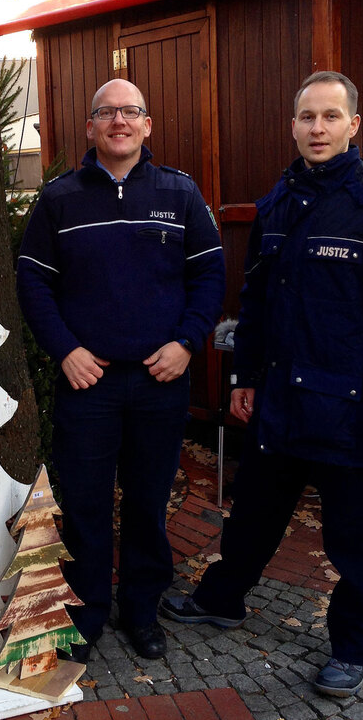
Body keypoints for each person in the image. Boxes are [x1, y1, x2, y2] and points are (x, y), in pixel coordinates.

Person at [161, 70, 363, 696]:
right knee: (253, 516)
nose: (318, 129)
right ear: (293, 125)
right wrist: (244, 376)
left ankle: (355, 642)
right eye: (307, 118)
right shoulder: (280, 204)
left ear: (354, 126)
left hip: (349, 412)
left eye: (330, 117)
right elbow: (257, 301)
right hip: (280, 403)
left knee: (353, 538)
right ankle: (223, 599)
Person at [17, 78, 225, 661]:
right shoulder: (59, 198)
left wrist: (187, 342)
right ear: (90, 127)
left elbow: (210, 276)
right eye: (107, 113)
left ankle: (140, 610)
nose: (119, 122)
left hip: (161, 379)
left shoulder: (180, 194)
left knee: (148, 499)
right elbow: (32, 280)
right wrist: (64, 349)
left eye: (131, 111)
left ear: (147, 125)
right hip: (90, 382)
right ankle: (86, 613)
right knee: (84, 502)